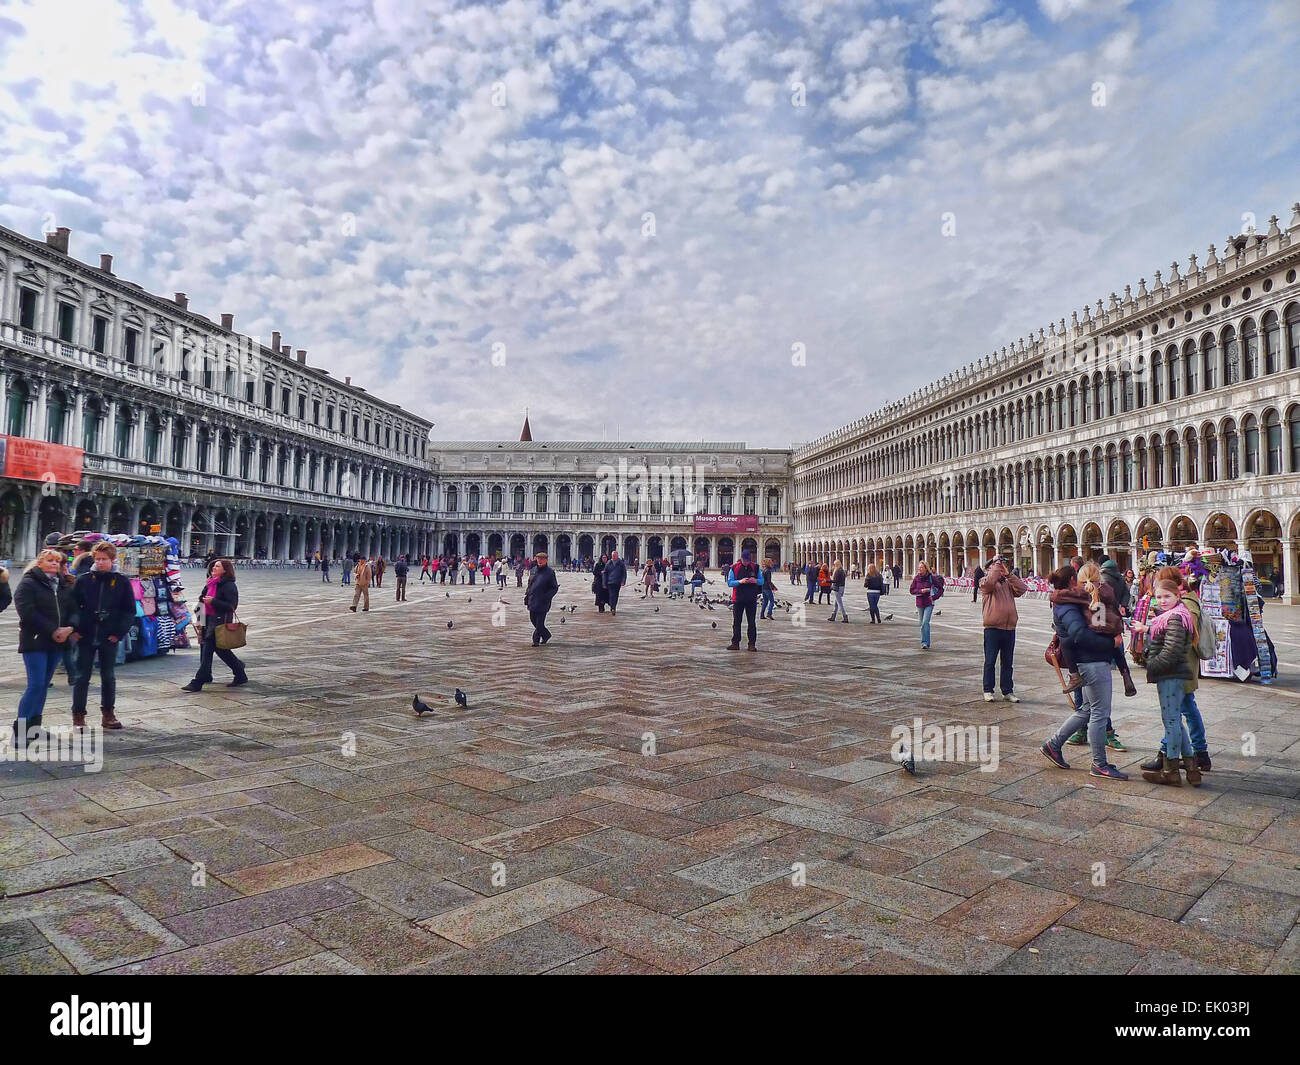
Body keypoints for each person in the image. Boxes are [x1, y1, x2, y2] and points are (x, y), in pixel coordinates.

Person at [1039, 566, 1127, 779]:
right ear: (1072, 580)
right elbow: (1079, 634)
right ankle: (1099, 764)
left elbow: (1095, 626)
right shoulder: (1068, 605)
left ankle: (1053, 745)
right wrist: (1110, 643)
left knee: (1087, 709)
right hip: (1093, 661)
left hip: (1089, 661)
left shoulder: (1074, 601)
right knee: (1099, 713)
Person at [1131, 578, 1200, 786]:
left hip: (1171, 674)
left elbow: (1172, 650)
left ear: (1177, 596)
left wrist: (1152, 665)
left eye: (1167, 596)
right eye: (1159, 597)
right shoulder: (1170, 616)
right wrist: (1146, 630)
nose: (1162, 600)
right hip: (1172, 674)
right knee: (1176, 720)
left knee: (1170, 721)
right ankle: (1191, 769)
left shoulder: (1176, 617)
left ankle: (1170, 771)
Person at [12, 549, 77, 740]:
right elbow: (27, 611)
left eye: (57, 562)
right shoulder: (28, 583)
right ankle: (20, 731)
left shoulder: (63, 585)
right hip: (35, 640)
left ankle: (34, 727)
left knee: (44, 685)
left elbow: (73, 610)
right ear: (39, 563)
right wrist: (52, 630)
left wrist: (70, 628)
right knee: (36, 684)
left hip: (57, 642)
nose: (54, 564)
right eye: (49, 561)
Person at [69, 542, 135, 730]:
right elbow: (73, 606)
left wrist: (118, 632)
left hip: (109, 636)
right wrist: (75, 629)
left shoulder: (121, 581)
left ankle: (108, 714)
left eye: (104, 559)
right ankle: (78, 715)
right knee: (82, 676)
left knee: (108, 676)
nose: (100, 563)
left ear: (112, 560)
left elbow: (129, 610)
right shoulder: (84, 580)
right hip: (86, 635)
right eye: (97, 559)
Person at [181, 559, 247, 691]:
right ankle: (239, 671)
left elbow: (232, 606)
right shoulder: (210, 583)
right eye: (213, 566)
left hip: (219, 622)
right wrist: (198, 617)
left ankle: (199, 681)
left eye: (217, 566)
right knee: (221, 651)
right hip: (207, 620)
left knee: (207, 651)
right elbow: (202, 600)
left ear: (225, 570)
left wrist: (214, 601)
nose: (213, 568)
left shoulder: (228, 585)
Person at [979, 557, 1025, 702]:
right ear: (990, 569)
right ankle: (988, 690)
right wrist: (995, 564)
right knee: (990, 661)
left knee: (1007, 662)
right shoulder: (985, 583)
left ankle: (1007, 690)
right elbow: (990, 582)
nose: (999, 569)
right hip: (992, 628)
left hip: (1009, 627)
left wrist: (1009, 574)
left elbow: (1023, 589)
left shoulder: (1007, 584)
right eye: (996, 567)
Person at [726, 548, 763, 651]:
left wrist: (755, 580)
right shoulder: (734, 568)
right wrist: (740, 582)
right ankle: (735, 643)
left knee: (752, 622)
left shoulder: (755, 567)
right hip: (738, 599)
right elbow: (729, 582)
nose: (746, 562)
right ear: (741, 558)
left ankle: (751, 644)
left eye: (748, 560)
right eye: (745, 560)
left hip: (751, 599)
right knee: (737, 622)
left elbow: (762, 581)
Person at [525, 551, 559, 646]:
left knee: (539, 623)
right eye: (538, 558)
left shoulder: (550, 572)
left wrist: (546, 597)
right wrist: (527, 595)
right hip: (532, 600)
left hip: (543, 602)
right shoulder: (533, 570)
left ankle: (535, 641)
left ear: (546, 560)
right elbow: (530, 584)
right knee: (533, 620)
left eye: (542, 559)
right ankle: (546, 634)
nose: (539, 560)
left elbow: (554, 588)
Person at [909, 562, 944, 649]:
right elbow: (912, 590)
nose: (919, 569)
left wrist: (934, 597)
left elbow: (941, 588)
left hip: (929, 602)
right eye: (919, 567)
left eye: (921, 567)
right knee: (921, 624)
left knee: (925, 622)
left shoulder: (931, 578)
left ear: (926, 568)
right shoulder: (916, 578)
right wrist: (921, 591)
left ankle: (924, 642)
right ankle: (926, 642)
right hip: (920, 602)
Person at [603, 551, 627, 615]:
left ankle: (614, 607)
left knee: (616, 596)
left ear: (617, 556)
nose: (614, 557)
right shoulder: (608, 563)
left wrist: (623, 581)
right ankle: (612, 607)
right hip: (610, 582)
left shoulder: (621, 563)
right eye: (613, 556)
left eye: (615, 556)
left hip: (617, 582)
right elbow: (605, 573)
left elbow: (624, 573)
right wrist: (604, 583)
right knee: (611, 595)